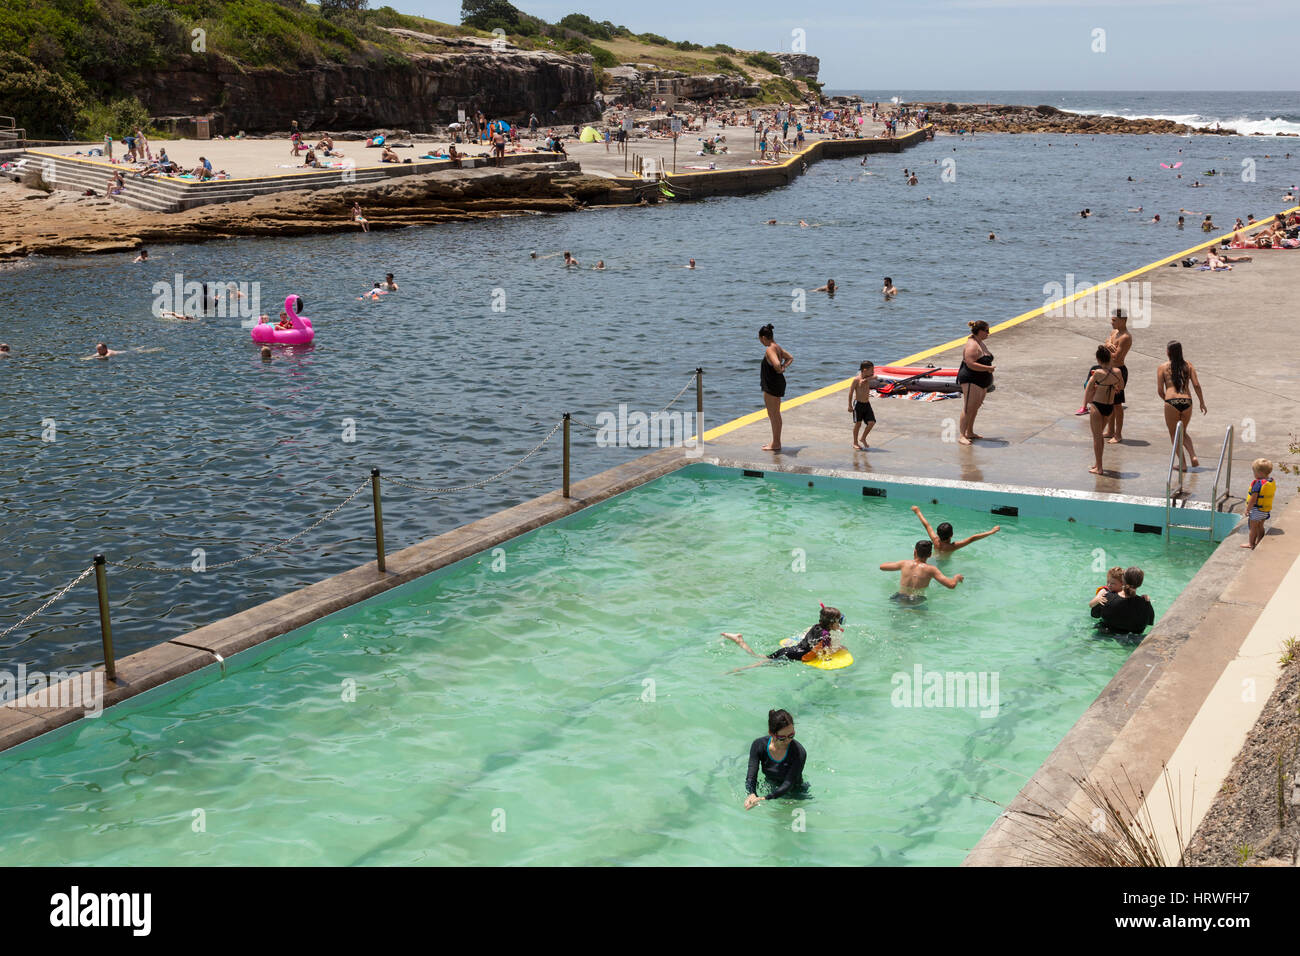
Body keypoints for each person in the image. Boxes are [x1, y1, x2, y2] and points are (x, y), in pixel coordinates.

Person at [721, 606, 845, 673]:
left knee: (759, 657)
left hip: (789, 649)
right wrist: (837, 650)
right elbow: (818, 654)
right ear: (831, 623)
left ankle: (739, 640)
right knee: (759, 664)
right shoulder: (826, 636)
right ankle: (737, 670)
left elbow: (810, 641)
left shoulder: (816, 627)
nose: (840, 624)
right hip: (793, 656)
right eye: (839, 621)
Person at [1156, 340, 1206, 468]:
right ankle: (1193, 455)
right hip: (1187, 401)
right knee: (1183, 432)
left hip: (1171, 400)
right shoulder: (1188, 366)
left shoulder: (1162, 367)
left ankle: (1182, 464)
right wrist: (1202, 402)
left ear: (1168, 352)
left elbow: (1160, 391)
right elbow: (1196, 385)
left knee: (1174, 433)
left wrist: (1168, 402)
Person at [879, 540, 963, 604]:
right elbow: (951, 585)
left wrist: (897, 563)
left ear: (915, 551)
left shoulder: (904, 563)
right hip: (916, 600)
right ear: (930, 555)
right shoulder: (931, 569)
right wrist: (956, 578)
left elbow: (882, 567)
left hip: (899, 597)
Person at [1084, 344, 1124, 476]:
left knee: (1097, 438)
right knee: (1099, 436)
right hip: (1109, 407)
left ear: (1099, 360)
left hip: (1097, 406)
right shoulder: (1118, 372)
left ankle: (1099, 468)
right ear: (1110, 358)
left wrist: (1086, 403)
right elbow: (1121, 386)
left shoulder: (1097, 373)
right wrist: (1113, 386)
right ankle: (1097, 463)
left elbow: (1088, 389)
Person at [957, 320, 995, 444]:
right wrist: (988, 368)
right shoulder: (972, 345)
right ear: (979, 331)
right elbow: (970, 363)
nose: (988, 333)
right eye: (986, 331)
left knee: (976, 406)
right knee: (969, 407)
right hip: (970, 379)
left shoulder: (980, 342)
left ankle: (970, 432)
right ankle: (962, 435)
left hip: (982, 380)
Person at [1090, 567, 1154, 635]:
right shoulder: (1145, 603)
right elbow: (1149, 623)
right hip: (1133, 637)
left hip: (1106, 633)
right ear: (1140, 584)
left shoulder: (1106, 597)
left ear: (1122, 581)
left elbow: (1094, 615)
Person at [758, 323, 792, 452]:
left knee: (773, 414)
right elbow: (790, 358)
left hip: (771, 384)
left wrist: (780, 368)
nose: (760, 342)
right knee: (776, 414)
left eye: (760, 339)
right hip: (778, 383)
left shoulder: (769, 349)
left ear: (763, 338)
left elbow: (777, 364)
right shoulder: (777, 347)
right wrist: (783, 367)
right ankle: (776, 441)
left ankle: (776, 443)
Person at [911, 506, 1000, 554]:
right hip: (944, 565)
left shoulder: (935, 540)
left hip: (933, 560)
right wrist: (992, 531)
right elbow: (973, 538)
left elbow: (927, 525)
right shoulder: (953, 547)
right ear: (951, 535)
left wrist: (918, 511)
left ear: (938, 533)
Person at [1242, 458, 1276, 549]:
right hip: (1265, 510)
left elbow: (1253, 500)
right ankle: (1260, 541)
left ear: (1259, 473)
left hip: (1256, 510)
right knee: (1260, 526)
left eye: (1254, 472)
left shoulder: (1258, 484)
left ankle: (1251, 543)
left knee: (1253, 528)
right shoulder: (1270, 481)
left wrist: (1247, 509)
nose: (1254, 474)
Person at [847, 360, 876, 450]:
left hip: (867, 404)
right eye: (871, 370)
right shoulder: (856, 380)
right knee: (858, 424)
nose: (873, 371)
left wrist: (866, 379)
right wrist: (849, 405)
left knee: (872, 422)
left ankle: (863, 438)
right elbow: (851, 392)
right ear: (864, 370)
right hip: (858, 404)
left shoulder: (869, 377)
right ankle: (855, 442)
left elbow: (876, 376)